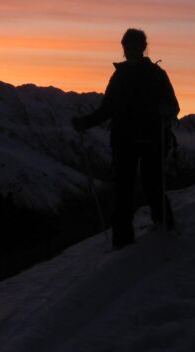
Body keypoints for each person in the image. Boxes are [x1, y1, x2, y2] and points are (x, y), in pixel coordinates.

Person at [72, 28, 179, 248]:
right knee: (130, 190)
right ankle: (149, 232)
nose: (130, 50)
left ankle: (138, 237)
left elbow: (173, 107)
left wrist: (166, 110)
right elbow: (107, 109)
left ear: (142, 47)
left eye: (133, 46)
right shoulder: (149, 75)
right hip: (138, 140)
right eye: (127, 46)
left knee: (140, 188)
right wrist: (86, 122)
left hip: (135, 140)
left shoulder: (137, 76)